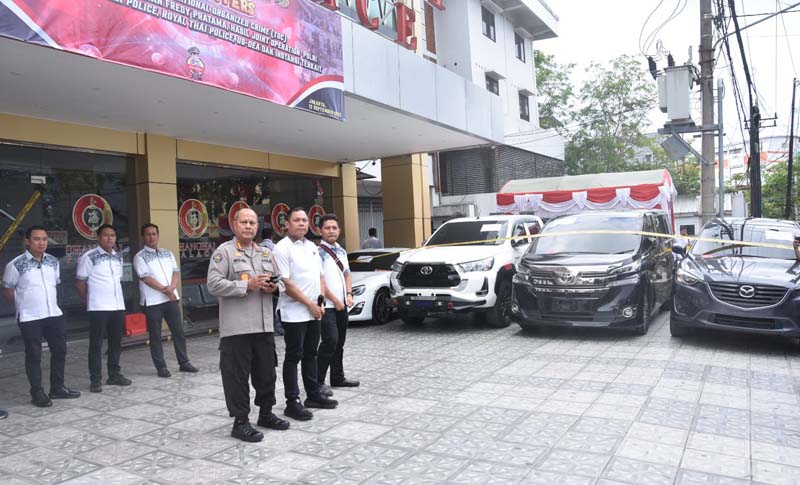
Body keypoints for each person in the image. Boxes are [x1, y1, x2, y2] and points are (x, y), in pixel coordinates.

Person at [207, 208, 290, 442]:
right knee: (237, 377)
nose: (248, 226)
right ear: (234, 225)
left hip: (264, 326)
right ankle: (240, 422)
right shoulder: (224, 253)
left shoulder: (265, 253)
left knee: (266, 374)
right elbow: (213, 284)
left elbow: (280, 281)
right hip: (237, 328)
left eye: (252, 222)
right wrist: (247, 285)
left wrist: (274, 287)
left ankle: (266, 413)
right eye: (244, 222)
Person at [3, 225, 80, 407]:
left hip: (53, 313)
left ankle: (57, 387)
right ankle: (37, 392)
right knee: (34, 355)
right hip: (30, 316)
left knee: (60, 350)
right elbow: (8, 291)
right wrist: (24, 303)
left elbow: (55, 284)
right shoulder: (15, 265)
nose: (41, 243)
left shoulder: (53, 261)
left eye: (44, 239)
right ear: (27, 241)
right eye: (37, 239)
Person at [273, 207, 338, 421]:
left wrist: (320, 302)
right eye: (296, 220)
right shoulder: (282, 248)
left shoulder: (311, 246)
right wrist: (309, 304)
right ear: (287, 224)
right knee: (294, 356)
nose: (301, 223)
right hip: (293, 313)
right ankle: (292, 402)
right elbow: (286, 283)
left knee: (311, 354)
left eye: (304, 220)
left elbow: (320, 276)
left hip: (314, 311)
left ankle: (313, 395)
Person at [133, 223, 198, 378]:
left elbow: (176, 272)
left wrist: (172, 288)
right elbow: (146, 278)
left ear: (158, 235)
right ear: (143, 237)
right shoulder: (139, 257)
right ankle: (161, 367)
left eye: (154, 234)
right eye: (148, 234)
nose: (151, 237)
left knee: (178, 332)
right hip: (152, 302)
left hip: (170, 299)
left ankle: (184, 362)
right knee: (156, 336)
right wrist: (166, 290)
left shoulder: (167, 253)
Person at [76, 224, 131, 393]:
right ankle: (95, 379)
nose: (110, 238)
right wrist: (89, 301)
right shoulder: (89, 257)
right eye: (106, 235)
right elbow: (80, 283)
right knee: (96, 344)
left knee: (115, 342)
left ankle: (114, 374)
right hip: (98, 307)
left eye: (112, 235)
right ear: (98, 238)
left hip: (117, 305)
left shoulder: (118, 257)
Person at [317, 214, 360, 396]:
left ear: (339, 230)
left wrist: (348, 294)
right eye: (327, 228)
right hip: (327, 306)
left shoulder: (341, 251)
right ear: (320, 231)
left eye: (334, 228)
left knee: (339, 343)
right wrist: (335, 300)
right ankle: (318, 381)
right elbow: (319, 280)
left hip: (342, 305)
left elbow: (347, 274)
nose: (331, 231)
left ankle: (337, 377)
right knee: (330, 341)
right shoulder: (317, 252)